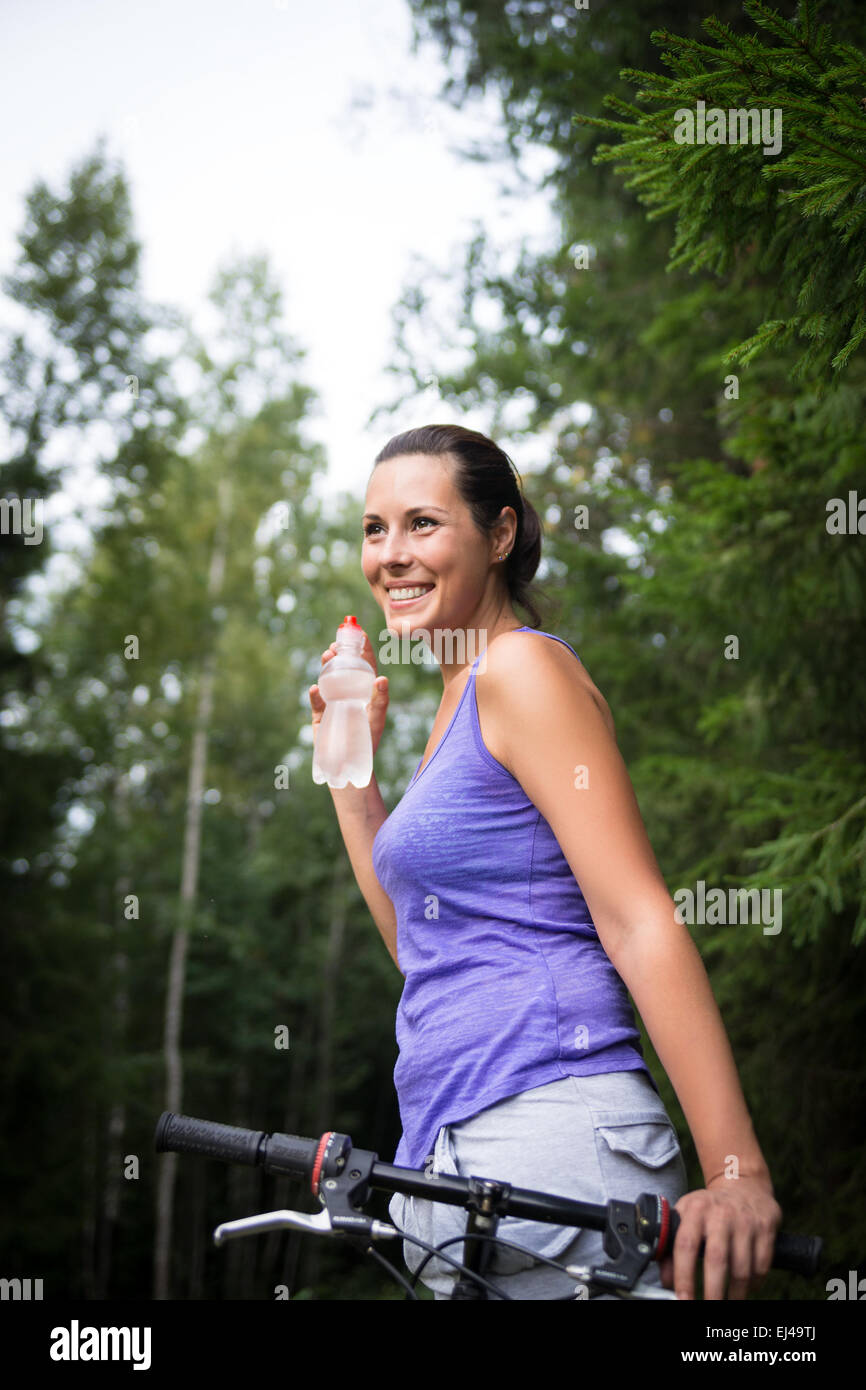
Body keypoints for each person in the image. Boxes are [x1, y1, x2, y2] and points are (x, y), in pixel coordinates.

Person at [308, 423, 782, 1301]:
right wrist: (350, 776)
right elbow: (423, 950)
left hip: (554, 1138)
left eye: (422, 524)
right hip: (457, 1166)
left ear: (498, 535)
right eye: (375, 530)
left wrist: (737, 1173)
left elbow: (637, 918)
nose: (391, 555)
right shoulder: (456, 704)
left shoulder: (519, 671)